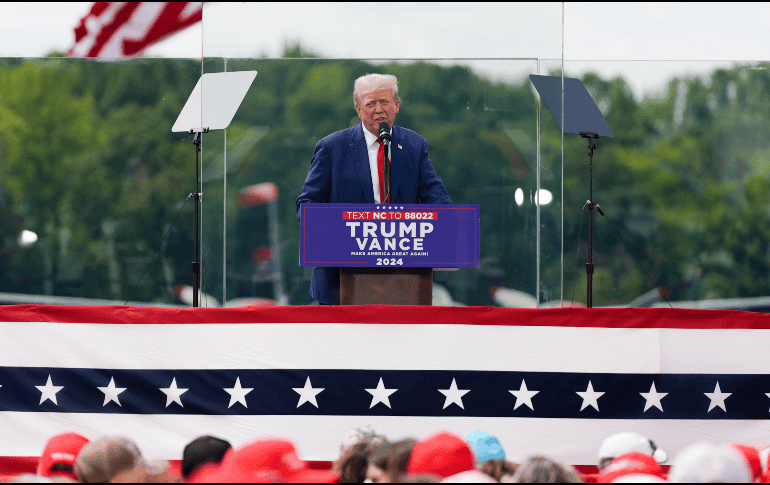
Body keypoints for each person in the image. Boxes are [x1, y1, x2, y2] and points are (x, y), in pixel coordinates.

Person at [296, 73, 451, 305]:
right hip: (340, 284)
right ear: (359, 109)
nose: (379, 110)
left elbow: (436, 196)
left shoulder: (414, 146)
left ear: (397, 106)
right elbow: (307, 204)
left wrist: (446, 222)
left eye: (385, 102)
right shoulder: (332, 148)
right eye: (371, 103)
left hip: (403, 281)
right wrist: (337, 231)